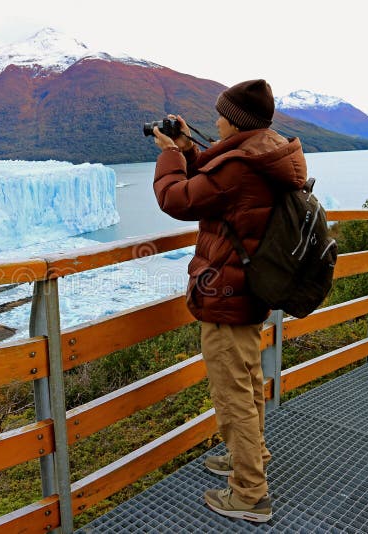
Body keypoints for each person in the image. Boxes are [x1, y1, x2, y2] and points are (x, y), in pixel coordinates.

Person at [151, 79, 307, 523]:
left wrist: (170, 156)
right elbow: (222, 189)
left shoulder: (241, 165)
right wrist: (190, 152)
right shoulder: (266, 151)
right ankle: (250, 454)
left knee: (232, 391)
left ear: (236, 119)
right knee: (247, 379)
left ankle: (249, 493)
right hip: (251, 288)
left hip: (226, 292)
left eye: (221, 114)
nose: (215, 119)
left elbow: (178, 199)